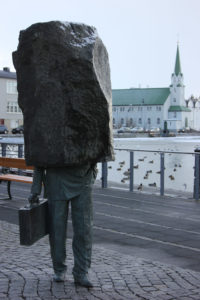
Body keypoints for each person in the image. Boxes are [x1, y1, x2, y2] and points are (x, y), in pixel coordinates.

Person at [29, 163, 97, 287]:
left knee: (84, 229)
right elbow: (38, 154)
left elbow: (99, 148)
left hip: (83, 179)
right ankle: (59, 269)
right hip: (56, 180)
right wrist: (35, 188)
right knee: (57, 229)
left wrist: (92, 174)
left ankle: (82, 271)